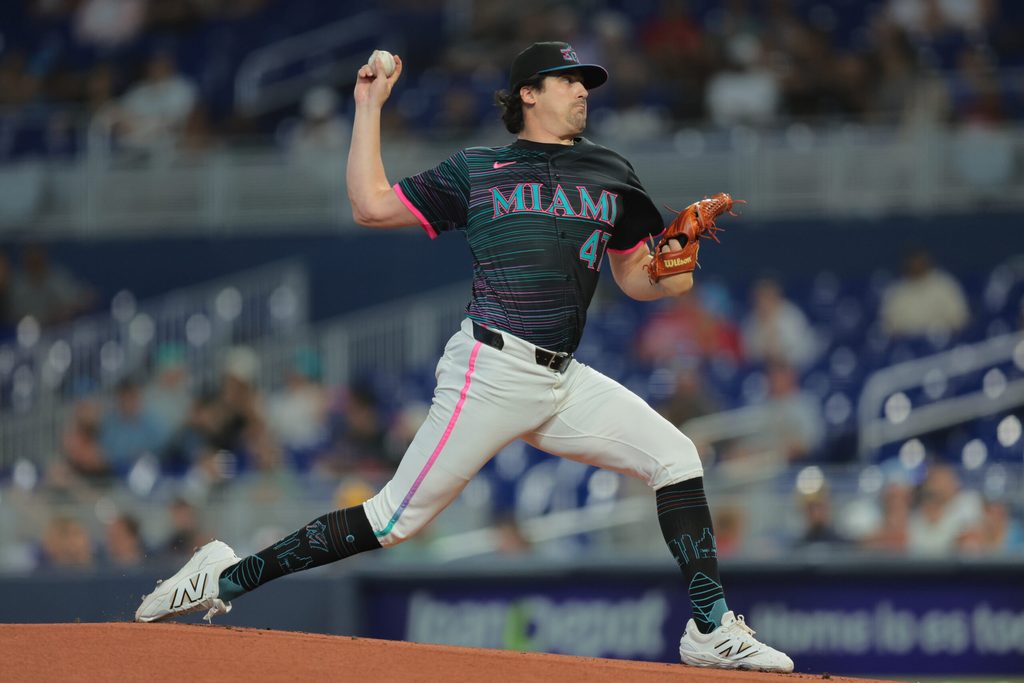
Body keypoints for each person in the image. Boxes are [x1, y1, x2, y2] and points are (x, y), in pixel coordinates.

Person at [136, 42, 792, 673]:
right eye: (568, 80)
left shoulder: (610, 172)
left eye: (586, 82)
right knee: (391, 520)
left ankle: (710, 627)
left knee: (676, 456)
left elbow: (643, 278)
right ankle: (220, 576)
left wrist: (679, 250)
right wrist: (369, 106)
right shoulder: (478, 169)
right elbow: (369, 205)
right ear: (530, 94)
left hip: (563, 379)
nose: (581, 91)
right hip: (491, 369)